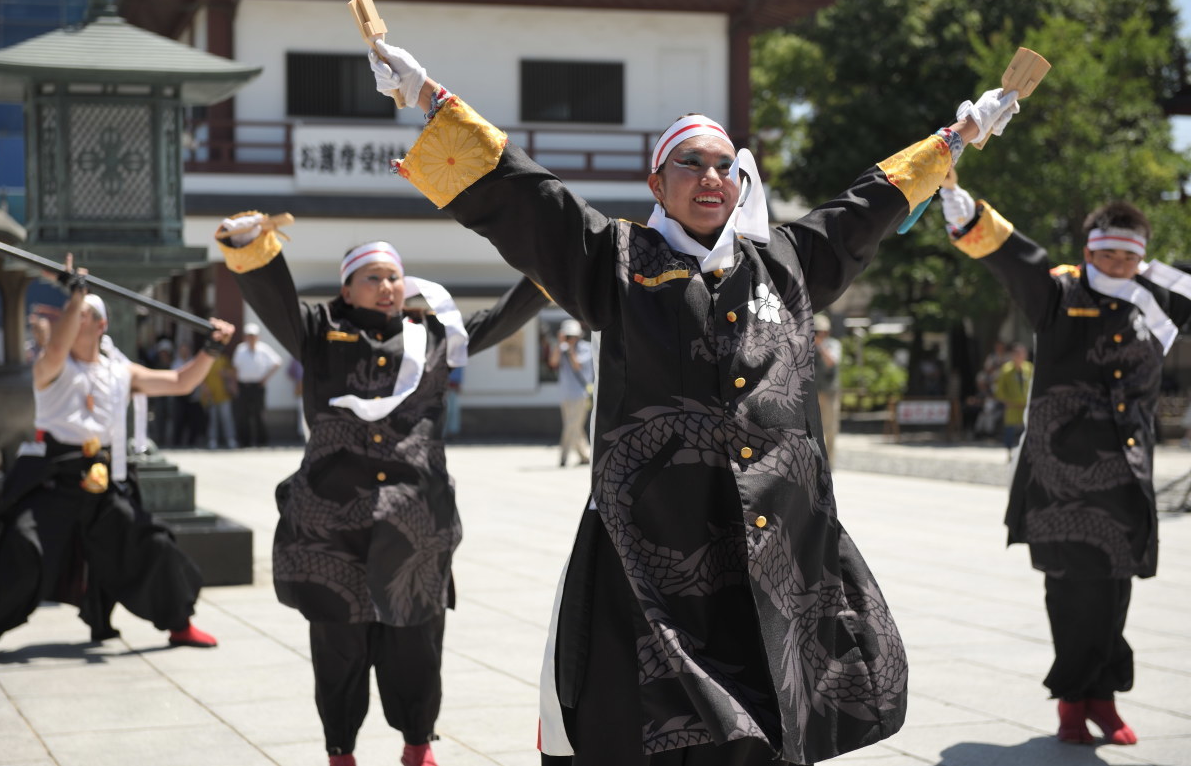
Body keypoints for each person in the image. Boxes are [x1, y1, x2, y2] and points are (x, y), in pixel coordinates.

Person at [365, 40, 1019, 765]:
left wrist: (959, 137)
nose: (711, 177)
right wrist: (429, 96)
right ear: (657, 180)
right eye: (691, 163)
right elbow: (524, 195)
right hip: (654, 549)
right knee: (670, 726)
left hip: (777, 546)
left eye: (724, 166)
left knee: (772, 722)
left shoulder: (790, 261)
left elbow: (872, 200)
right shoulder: (610, 261)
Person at [214, 213, 550, 766]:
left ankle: (417, 744)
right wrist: (252, 244)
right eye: (372, 277)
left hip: (414, 524)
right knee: (338, 646)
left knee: (415, 642)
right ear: (347, 288)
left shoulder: (434, 337)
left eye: (393, 276)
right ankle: (340, 749)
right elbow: (274, 300)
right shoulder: (319, 333)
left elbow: (498, 320)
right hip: (329, 526)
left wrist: (549, 265)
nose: (387, 286)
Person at [940, 173, 1191, 746]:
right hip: (1062, 481)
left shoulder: (1161, 300)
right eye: (1104, 251)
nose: (1116, 262)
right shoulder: (1059, 294)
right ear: (1088, 249)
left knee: (1115, 588)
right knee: (1074, 588)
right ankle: (1075, 700)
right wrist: (964, 209)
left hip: (1127, 479)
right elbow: (1017, 262)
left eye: (1127, 255)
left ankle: (1102, 694)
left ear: (1142, 256)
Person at [0, 266, 231, 648]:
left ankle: (179, 624)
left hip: (104, 479)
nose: (72, 319)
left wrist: (212, 348)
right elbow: (56, 347)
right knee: (22, 547)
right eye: (72, 312)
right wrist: (75, 298)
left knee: (152, 543)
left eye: (82, 314)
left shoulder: (121, 370)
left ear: (100, 324)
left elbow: (181, 381)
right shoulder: (52, 367)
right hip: (54, 478)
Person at [548, 319, 594, 467]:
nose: (570, 338)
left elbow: (577, 366)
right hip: (565, 394)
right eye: (568, 335)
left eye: (572, 336)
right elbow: (553, 363)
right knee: (575, 427)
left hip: (580, 394)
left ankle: (563, 457)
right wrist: (559, 344)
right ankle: (584, 456)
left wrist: (571, 350)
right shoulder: (561, 348)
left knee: (570, 426)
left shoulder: (586, 348)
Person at [232, 321, 282, 447]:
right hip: (244, 386)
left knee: (259, 414)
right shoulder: (240, 349)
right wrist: (235, 385)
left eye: (253, 336)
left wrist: (266, 378)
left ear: (257, 337)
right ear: (246, 337)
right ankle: (244, 442)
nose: (251, 338)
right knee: (243, 415)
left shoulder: (263, 349)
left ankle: (261, 441)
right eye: (249, 335)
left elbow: (277, 362)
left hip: (258, 386)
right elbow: (236, 368)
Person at [992, 342, 1032, 452]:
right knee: (1010, 429)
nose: (1019, 356)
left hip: (1025, 405)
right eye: (1017, 354)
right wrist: (1005, 401)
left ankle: (1026, 451)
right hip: (1012, 405)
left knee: (1028, 429)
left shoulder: (1029, 368)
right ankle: (1008, 451)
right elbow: (1000, 389)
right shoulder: (1006, 369)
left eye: (1021, 354)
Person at [813, 314, 842, 459]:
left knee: (830, 429)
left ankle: (830, 463)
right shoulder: (808, 346)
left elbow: (831, 362)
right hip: (813, 392)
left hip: (829, 392)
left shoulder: (833, 344)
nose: (820, 334)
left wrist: (821, 347)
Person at [200, 352, 239, 450]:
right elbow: (200, 377)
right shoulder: (205, 360)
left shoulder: (223, 359)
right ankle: (212, 440)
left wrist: (224, 373)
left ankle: (230, 439)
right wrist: (205, 388)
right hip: (210, 395)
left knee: (227, 418)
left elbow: (232, 373)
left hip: (224, 395)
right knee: (212, 419)